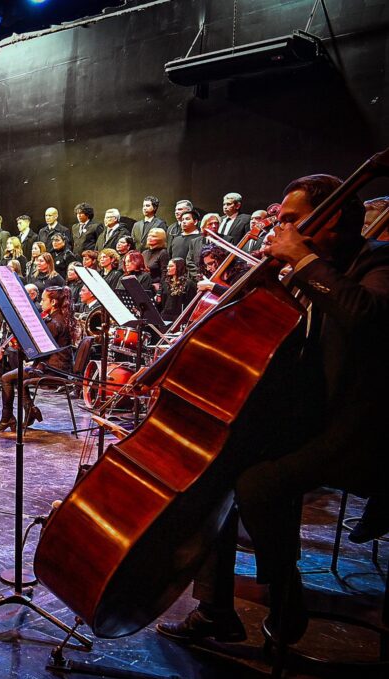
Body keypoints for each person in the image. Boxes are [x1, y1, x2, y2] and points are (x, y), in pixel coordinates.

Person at [158, 173, 389, 645]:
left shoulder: (377, 261)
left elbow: (368, 318)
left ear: (333, 220)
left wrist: (303, 261)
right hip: (309, 419)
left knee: (259, 482)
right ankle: (215, 610)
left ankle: (286, 598)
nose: (281, 229)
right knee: (216, 466)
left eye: (292, 220)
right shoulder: (311, 271)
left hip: (361, 429)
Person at [0, 286, 76, 432]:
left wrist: (21, 349)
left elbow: (40, 352)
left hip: (51, 369)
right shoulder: (61, 318)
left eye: (43, 300)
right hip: (57, 366)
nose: (41, 303)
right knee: (17, 377)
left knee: (6, 378)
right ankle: (29, 410)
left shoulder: (54, 323)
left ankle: (8, 418)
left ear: (53, 302)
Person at [158, 257, 196, 323]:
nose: (168, 268)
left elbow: (191, 305)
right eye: (168, 266)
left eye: (171, 266)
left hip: (180, 319)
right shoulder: (165, 282)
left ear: (179, 267)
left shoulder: (189, 284)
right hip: (165, 317)